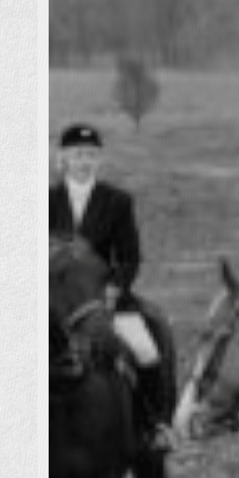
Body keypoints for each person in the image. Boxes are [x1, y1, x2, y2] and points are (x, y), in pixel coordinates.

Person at [49, 122, 174, 436]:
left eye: (91, 155)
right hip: (56, 302)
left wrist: (115, 288)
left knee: (146, 351)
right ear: (63, 157)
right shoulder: (43, 200)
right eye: (78, 154)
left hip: (104, 298)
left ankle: (154, 427)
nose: (84, 161)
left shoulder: (118, 201)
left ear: (99, 160)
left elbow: (129, 256)